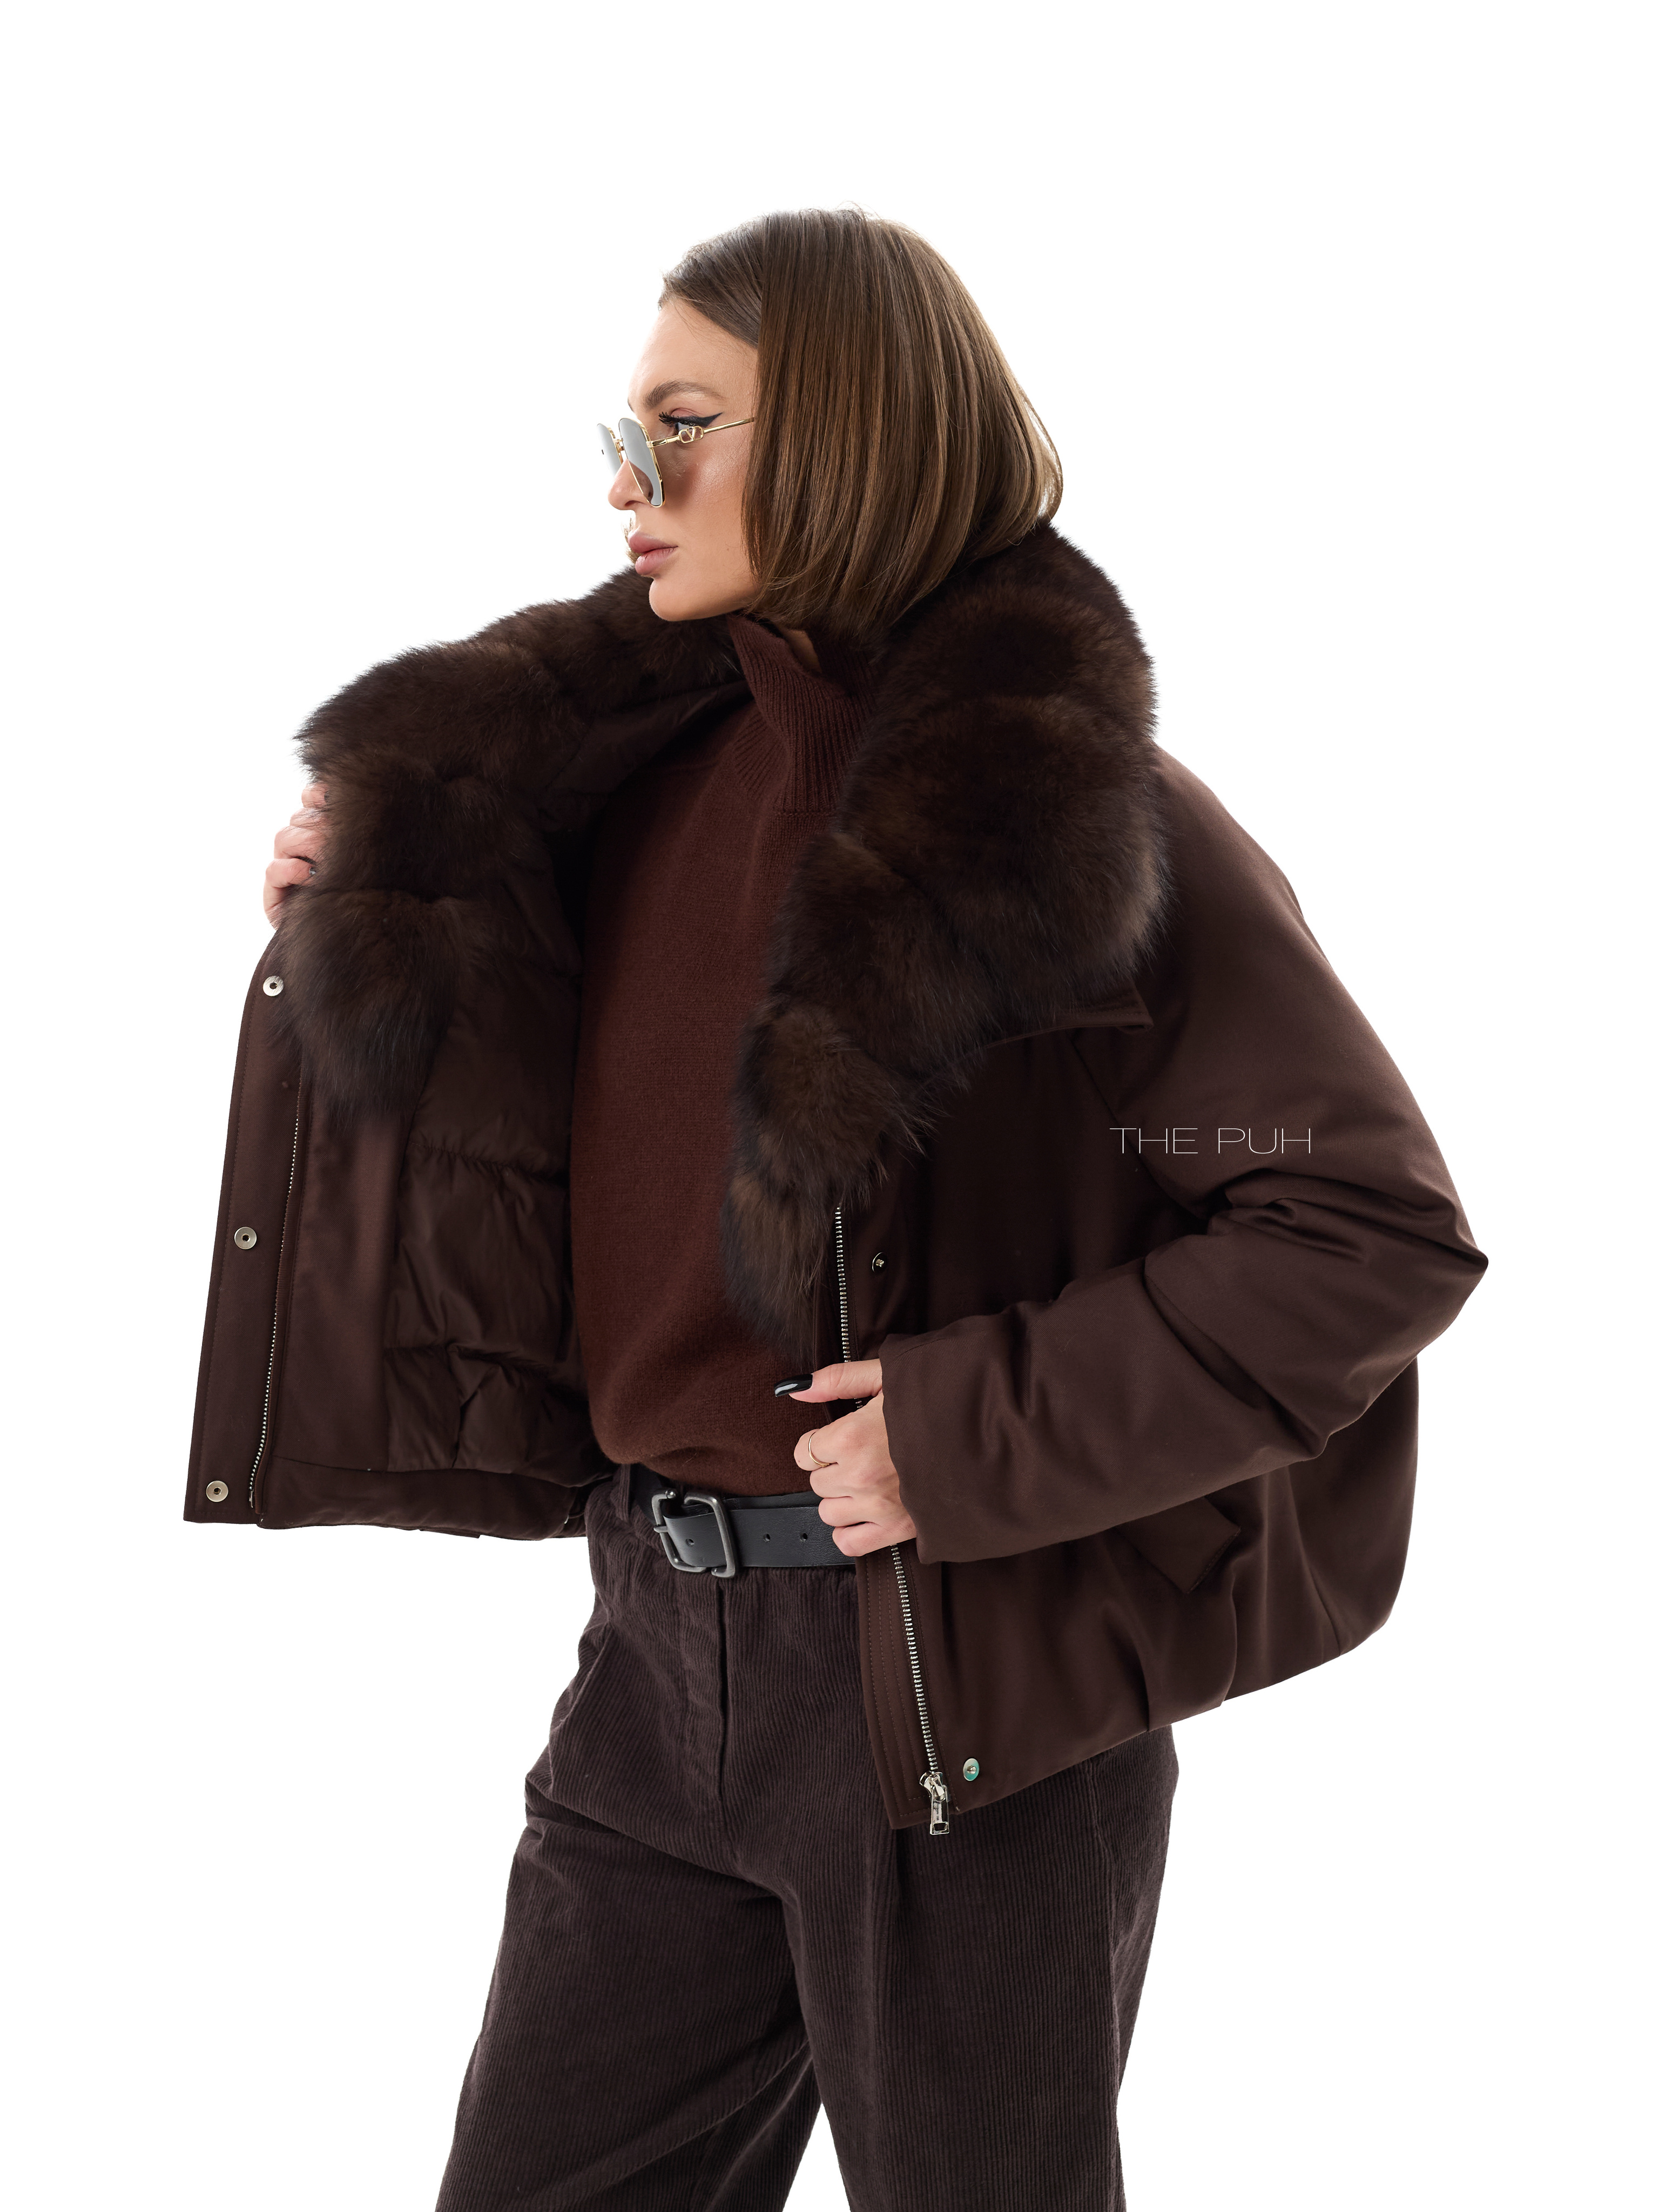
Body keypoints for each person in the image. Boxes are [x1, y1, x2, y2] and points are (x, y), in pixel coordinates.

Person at [190, 208, 1485, 2210]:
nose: (625, 483)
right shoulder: (611, 796)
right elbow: (573, 1161)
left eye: (684, 424)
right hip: (651, 1653)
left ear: (852, 441)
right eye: (622, 431)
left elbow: (1366, 1232)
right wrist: (377, 921)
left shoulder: (1088, 834)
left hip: (952, 1693)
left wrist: (969, 1434)